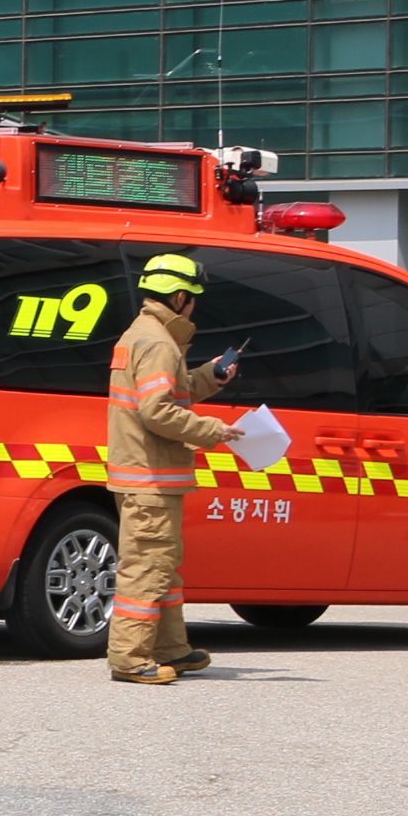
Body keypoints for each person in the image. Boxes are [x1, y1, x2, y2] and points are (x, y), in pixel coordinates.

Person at [106, 250, 241, 685]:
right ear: (181, 298)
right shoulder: (159, 344)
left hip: (147, 476)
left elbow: (166, 396)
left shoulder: (144, 335)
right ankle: (130, 659)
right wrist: (214, 430)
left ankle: (170, 649)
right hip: (151, 478)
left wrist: (209, 377)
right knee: (147, 567)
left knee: (162, 566)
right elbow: (157, 412)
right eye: (193, 298)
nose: (194, 306)